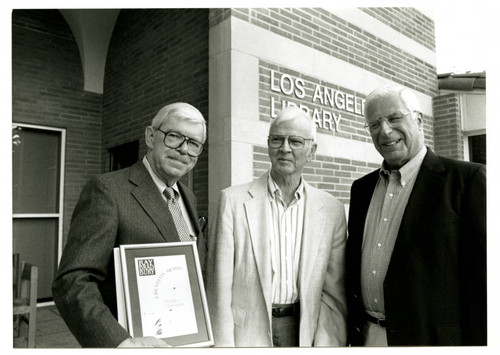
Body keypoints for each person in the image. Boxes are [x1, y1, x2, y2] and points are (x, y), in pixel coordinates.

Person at [52, 102, 207, 347]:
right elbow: (73, 281)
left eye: (194, 143)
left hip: (187, 340)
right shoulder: (108, 190)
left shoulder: (188, 196)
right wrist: (120, 343)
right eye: (174, 136)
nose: (183, 149)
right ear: (150, 136)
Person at [346, 85, 486, 346]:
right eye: (374, 124)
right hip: (367, 337)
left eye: (394, 118)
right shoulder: (362, 190)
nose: (385, 130)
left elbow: (485, 285)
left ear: (419, 120)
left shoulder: (467, 182)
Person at [206, 106, 348, 347]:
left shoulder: (331, 209)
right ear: (268, 145)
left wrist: (327, 344)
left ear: (311, 151)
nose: (284, 148)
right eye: (277, 140)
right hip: (247, 334)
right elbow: (219, 289)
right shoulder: (232, 201)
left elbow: (333, 294)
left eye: (295, 141)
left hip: (305, 331)